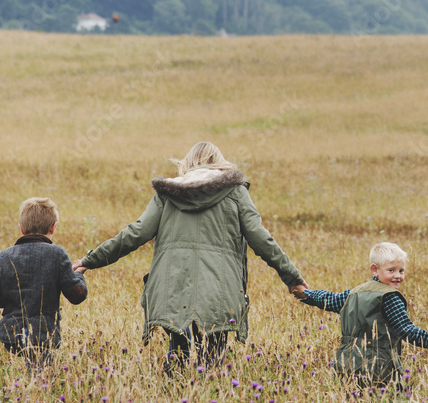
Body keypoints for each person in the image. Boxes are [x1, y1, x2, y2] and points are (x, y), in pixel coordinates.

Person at [73, 141, 305, 372]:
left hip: (172, 286)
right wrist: (292, 278)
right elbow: (261, 238)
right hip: (220, 289)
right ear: (220, 164)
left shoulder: (167, 194)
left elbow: (136, 233)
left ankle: (172, 399)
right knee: (214, 360)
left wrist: (90, 260)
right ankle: (207, 399)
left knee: (177, 357)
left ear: (187, 164)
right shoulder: (235, 192)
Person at [292, 241, 428, 388]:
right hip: (379, 369)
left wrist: (306, 294)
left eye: (401, 271)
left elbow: (328, 299)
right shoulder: (389, 297)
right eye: (391, 270)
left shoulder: (353, 293)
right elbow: (407, 330)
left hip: (345, 365)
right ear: (375, 270)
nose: (398, 276)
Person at [0, 197, 88, 372]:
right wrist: (78, 274)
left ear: (21, 228)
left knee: (16, 378)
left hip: (10, 336)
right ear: (53, 227)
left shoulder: (3, 256)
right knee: (42, 381)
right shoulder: (57, 254)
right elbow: (77, 295)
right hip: (43, 335)